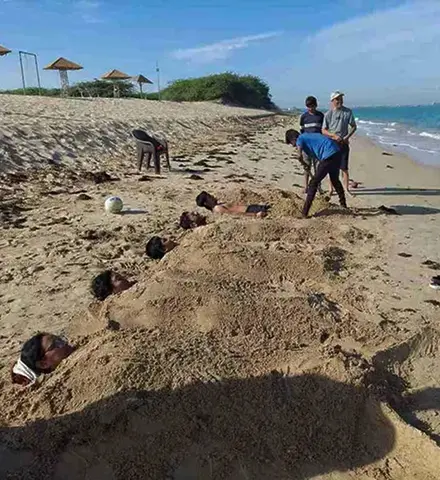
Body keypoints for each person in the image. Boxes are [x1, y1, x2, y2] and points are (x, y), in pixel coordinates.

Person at [287, 129, 347, 218]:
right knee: (335, 180)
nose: (293, 146)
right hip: (336, 152)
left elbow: (299, 155)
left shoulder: (300, 138)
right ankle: (343, 204)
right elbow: (318, 154)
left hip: (329, 154)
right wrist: (305, 165)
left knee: (313, 183)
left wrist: (301, 160)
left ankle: (304, 212)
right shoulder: (308, 137)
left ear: (293, 139)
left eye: (292, 143)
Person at [322, 91, 357, 196]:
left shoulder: (348, 112)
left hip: (343, 143)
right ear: (332, 101)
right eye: (337, 99)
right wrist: (333, 136)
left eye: (341, 99)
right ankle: (331, 189)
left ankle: (346, 189)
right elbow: (323, 130)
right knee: (331, 167)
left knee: (344, 167)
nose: (340, 101)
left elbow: (353, 126)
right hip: (332, 144)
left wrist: (347, 137)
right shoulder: (328, 114)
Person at [299, 96, 325, 193]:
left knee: (318, 168)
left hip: (318, 146)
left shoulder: (320, 116)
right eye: (308, 106)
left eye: (312, 106)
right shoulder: (304, 117)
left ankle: (319, 187)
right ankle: (306, 186)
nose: (310, 108)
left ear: (316, 105)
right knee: (306, 166)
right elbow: (302, 131)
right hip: (307, 146)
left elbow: (324, 130)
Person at [196, 191, 270, 217]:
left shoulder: (217, 205)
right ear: (206, 202)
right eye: (209, 197)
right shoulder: (217, 208)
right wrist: (255, 215)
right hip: (250, 210)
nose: (212, 196)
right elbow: (235, 213)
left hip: (250, 208)